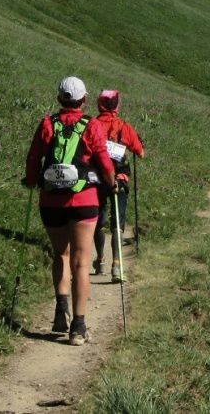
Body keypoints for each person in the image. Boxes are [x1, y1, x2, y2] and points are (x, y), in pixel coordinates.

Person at [24, 76, 116, 345]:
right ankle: (78, 326)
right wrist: (112, 185)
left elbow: (33, 158)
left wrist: (31, 181)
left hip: (50, 201)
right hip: (84, 200)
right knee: (81, 262)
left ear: (59, 99)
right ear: (84, 100)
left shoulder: (47, 124)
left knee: (60, 255)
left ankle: (59, 312)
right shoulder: (92, 126)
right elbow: (103, 160)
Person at [92, 89, 145, 281]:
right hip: (120, 179)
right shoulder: (124, 127)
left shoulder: (92, 124)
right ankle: (116, 265)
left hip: (96, 179)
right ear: (117, 105)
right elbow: (140, 153)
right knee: (118, 222)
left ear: (100, 104)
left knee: (98, 220)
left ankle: (100, 260)